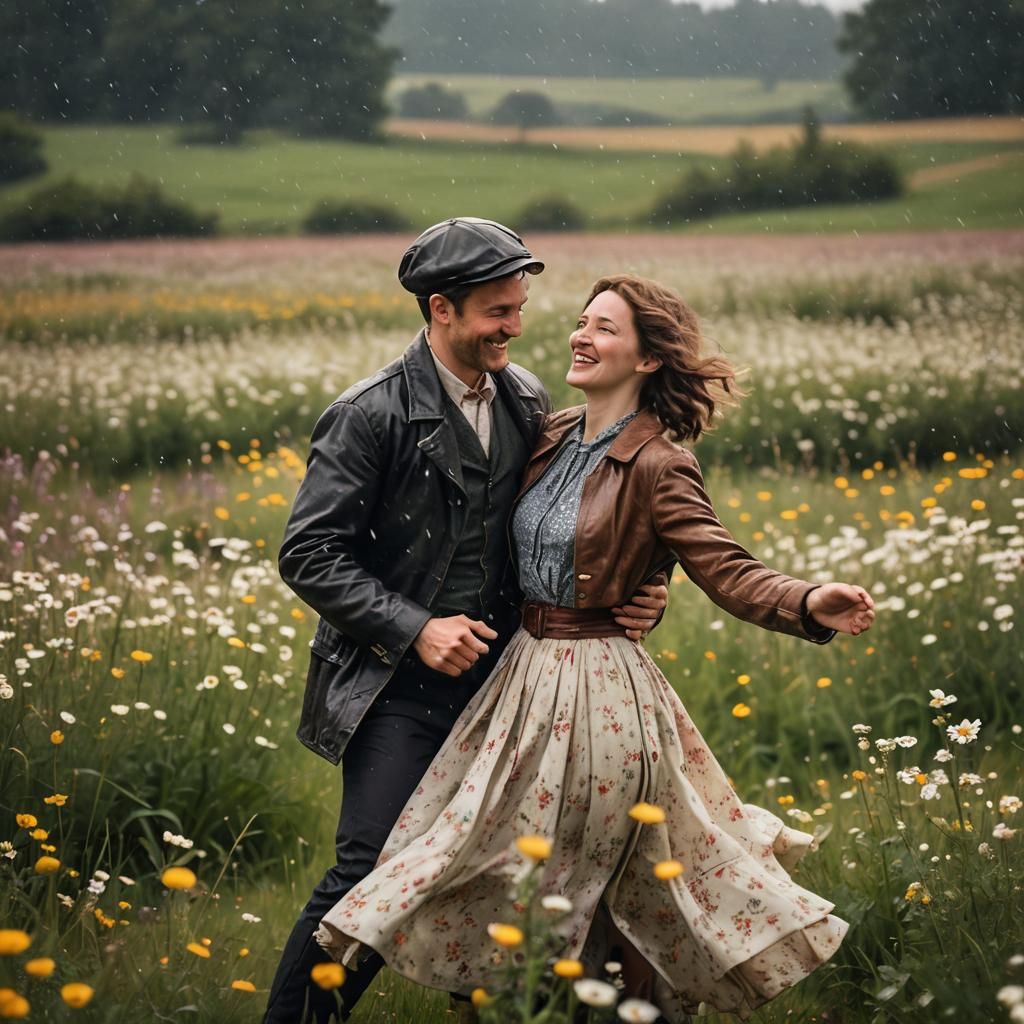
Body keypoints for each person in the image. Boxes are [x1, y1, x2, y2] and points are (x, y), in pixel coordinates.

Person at [315, 273, 877, 1021]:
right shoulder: (546, 432)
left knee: (585, 880)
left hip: (600, 694)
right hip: (518, 682)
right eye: (582, 322)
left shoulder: (660, 462)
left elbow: (723, 564)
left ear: (648, 360)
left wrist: (805, 601)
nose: (581, 335)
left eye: (605, 328)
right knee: (481, 865)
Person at [266, 224, 667, 1024]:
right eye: (496, 312)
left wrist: (646, 587)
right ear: (441, 309)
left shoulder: (526, 399)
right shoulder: (368, 413)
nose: (515, 328)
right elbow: (308, 553)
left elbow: (572, 520)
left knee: (515, 873)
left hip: (513, 690)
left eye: (519, 308)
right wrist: (416, 627)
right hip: (395, 688)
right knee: (371, 866)